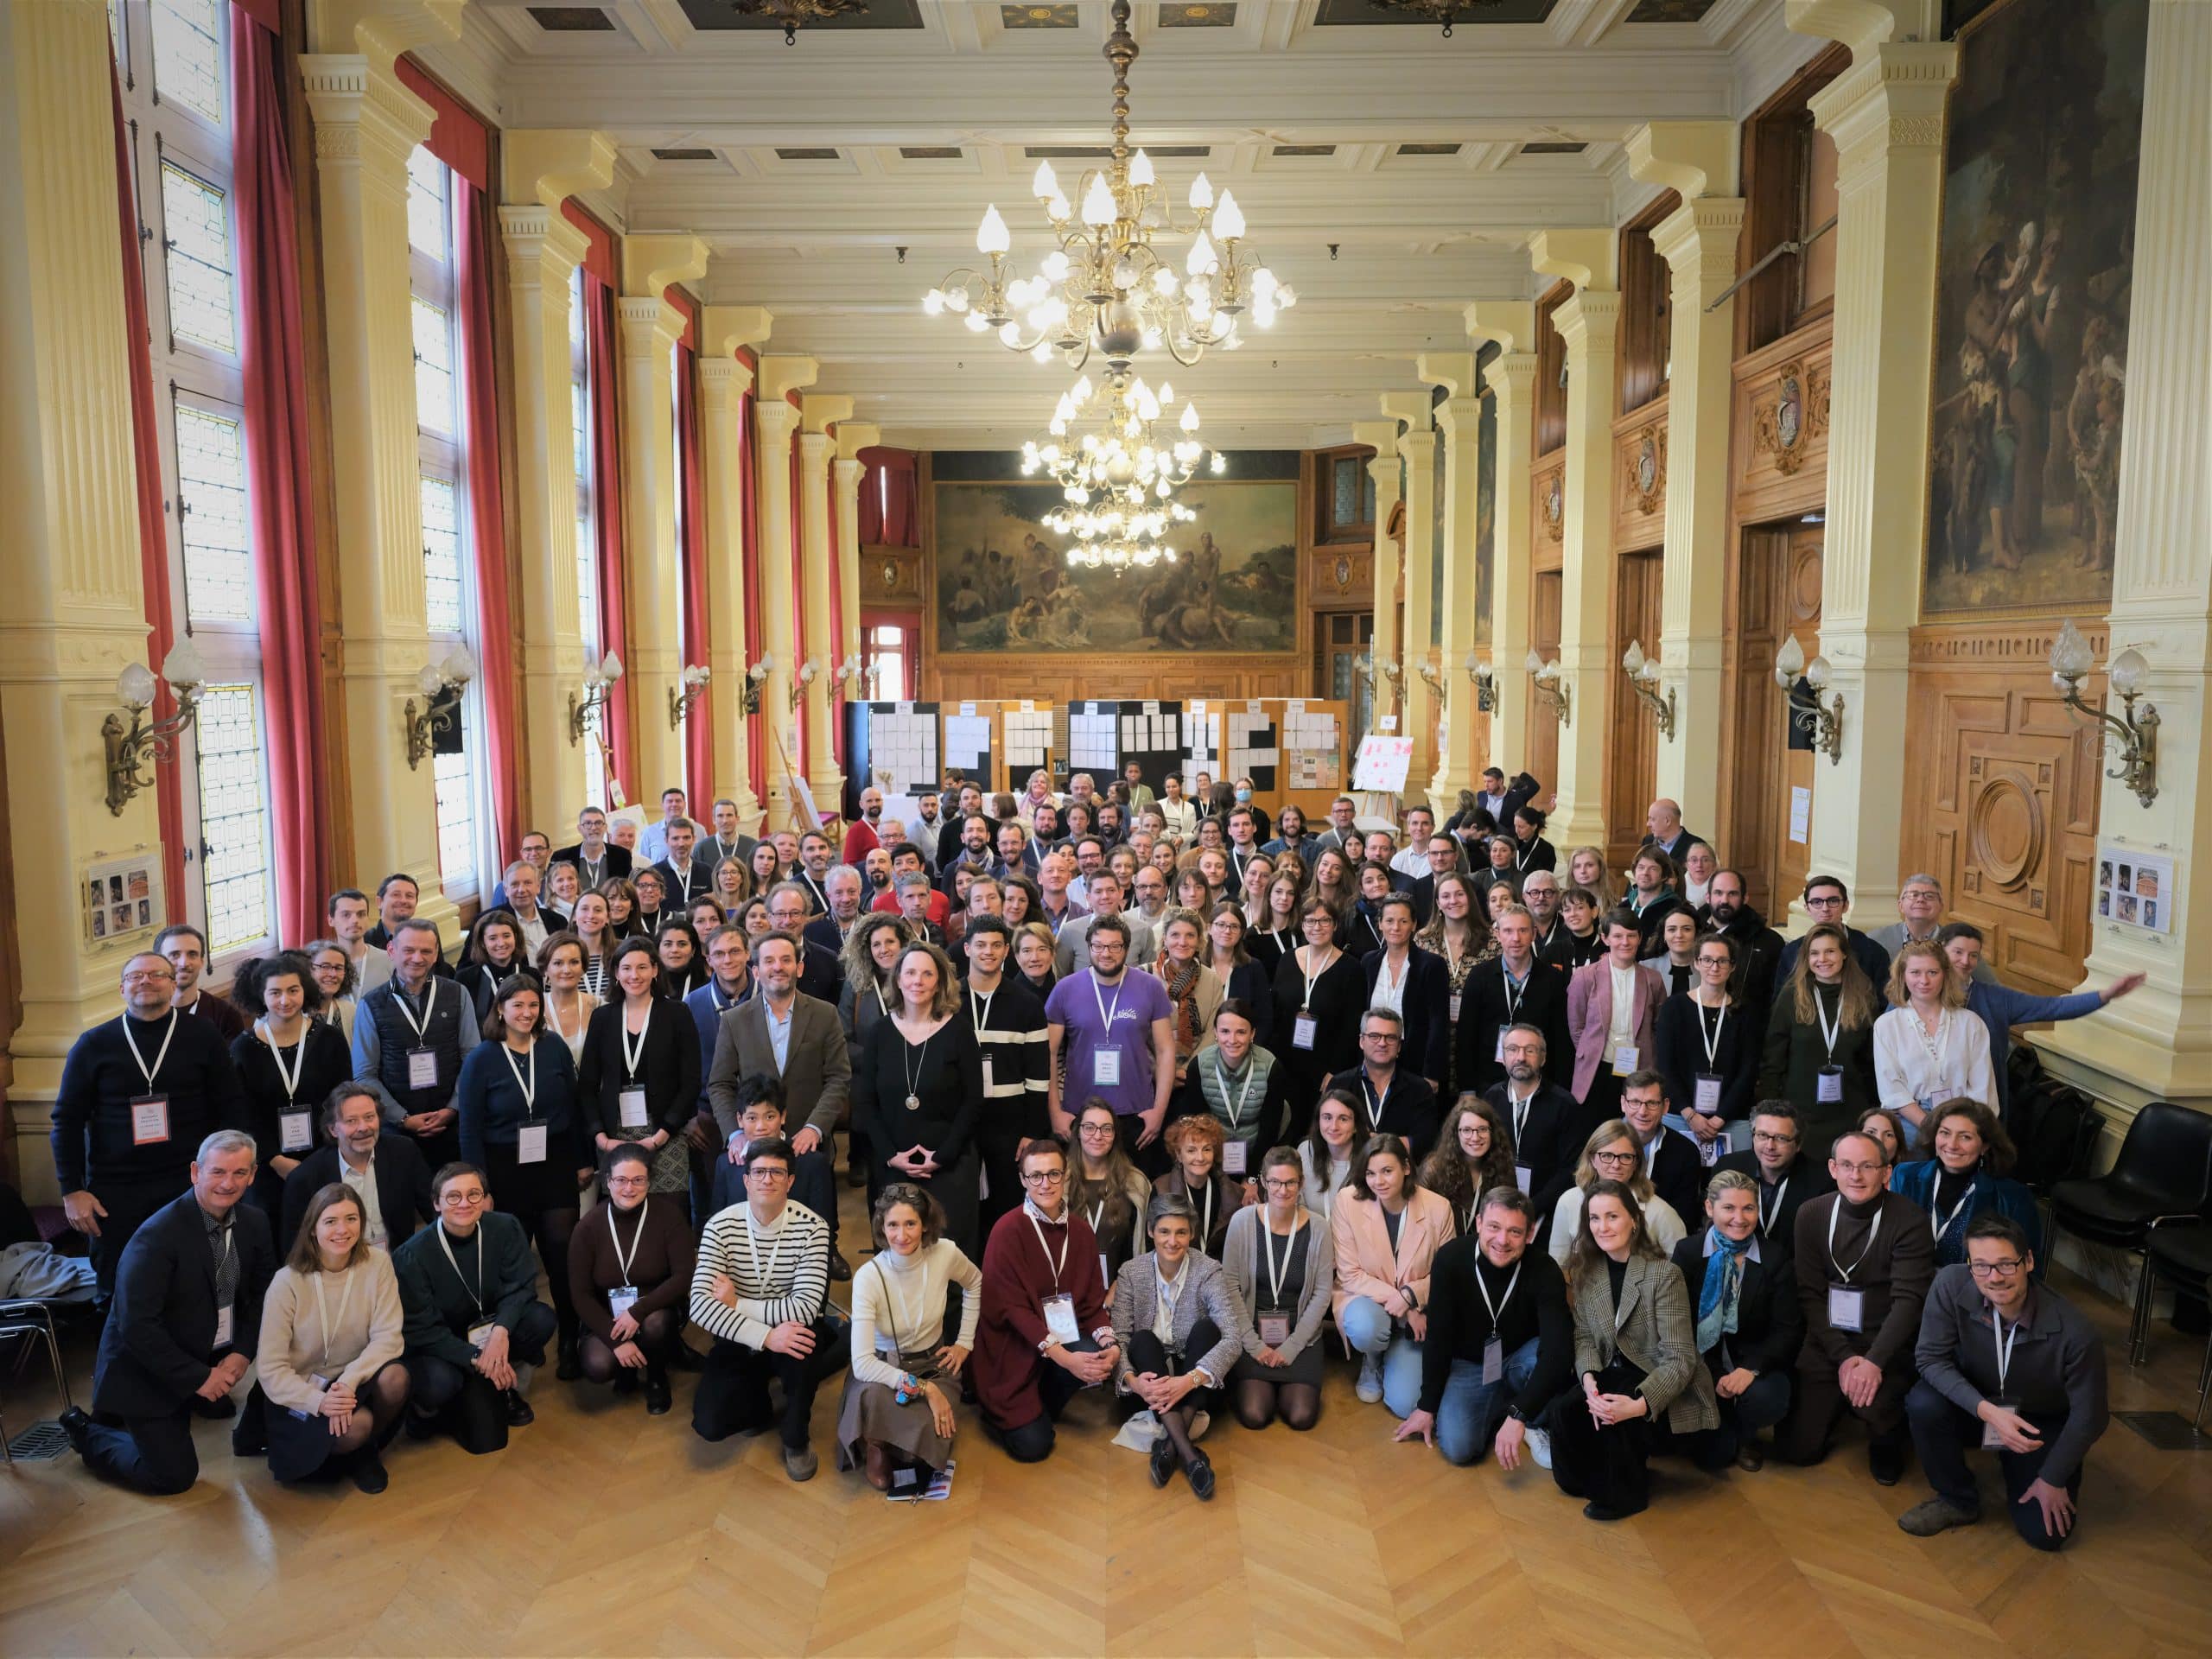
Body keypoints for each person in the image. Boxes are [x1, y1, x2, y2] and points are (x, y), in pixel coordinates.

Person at [59, 1132, 275, 1493]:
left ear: (252, 1175)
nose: (228, 1183)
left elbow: (263, 1294)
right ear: (195, 1172)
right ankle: (89, 1434)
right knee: (172, 1476)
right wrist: (198, 1378)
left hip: (202, 1346)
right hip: (144, 1367)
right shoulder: (157, 1236)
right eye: (218, 1172)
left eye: (239, 1173)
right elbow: (138, 1327)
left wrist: (242, 1352)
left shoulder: (255, 1222)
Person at [1900, 1215, 2108, 1549]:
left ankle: (2029, 1466)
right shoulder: (1950, 1284)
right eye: (1981, 1266)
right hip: (1979, 1406)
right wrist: (1987, 1412)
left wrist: (2053, 1477)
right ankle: (1956, 1499)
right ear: (1969, 1265)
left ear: (2028, 1261)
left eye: (2005, 1265)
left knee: (2047, 1535)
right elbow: (1929, 1358)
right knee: (1923, 1403)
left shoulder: (2076, 1332)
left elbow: (2091, 1416)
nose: (1994, 1278)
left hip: (2036, 1422)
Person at [54, 952, 247, 1303]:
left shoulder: (203, 1035)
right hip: (115, 1190)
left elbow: (231, 1106)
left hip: (190, 1181)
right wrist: (72, 1190)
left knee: (196, 1284)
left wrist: (229, 1173)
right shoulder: (93, 1044)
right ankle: (121, 1358)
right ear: (122, 988)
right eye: (135, 976)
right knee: (119, 1290)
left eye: (157, 974)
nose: (145, 981)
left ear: (174, 985)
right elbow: (66, 1120)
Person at [1543, 1179, 1719, 1519]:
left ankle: (1627, 1497)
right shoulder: (1586, 1273)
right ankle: (1585, 1479)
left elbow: (1681, 1359)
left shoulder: (1664, 1275)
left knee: (1614, 1406)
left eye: (1612, 1216)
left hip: (1662, 1386)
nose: (1602, 1226)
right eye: (1594, 1219)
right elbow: (1583, 1337)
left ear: (1634, 1221)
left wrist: (1639, 1406)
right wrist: (1589, 1378)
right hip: (1611, 1374)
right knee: (1564, 1410)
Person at [1777, 1128, 1935, 1484]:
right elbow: (1810, 1294)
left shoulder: (1910, 1220)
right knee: (1799, 1451)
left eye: (1867, 1166)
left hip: (1885, 1342)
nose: (1856, 1175)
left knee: (1879, 1415)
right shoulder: (1811, 1214)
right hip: (1828, 1339)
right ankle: (1837, 1402)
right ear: (1832, 1169)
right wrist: (1844, 1356)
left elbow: (1909, 1301)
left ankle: (1886, 1430)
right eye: (1847, 1165)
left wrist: (1874, 1361)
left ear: (1887, 1172)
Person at [456, 975, 591, 1378]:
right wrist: (478, 1186)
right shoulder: (482, 1057)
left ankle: (570, 1337)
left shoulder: (552, 1048)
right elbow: (470, 1128)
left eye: (533, 1005)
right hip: (503, 1167)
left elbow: (576, 1103)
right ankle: (519, 1341)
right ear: (500, 1009)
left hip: (554, 1162)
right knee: (511, 1261)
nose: (527, 1013)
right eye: (517, 1006)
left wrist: (583, 1160)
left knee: (563, 1253)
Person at [690, 1136, 845, 1479]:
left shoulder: (814, 1228)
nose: (767, 1179)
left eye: (777, 1172)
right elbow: (700, 1307)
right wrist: (766, 1337)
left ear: (790, 1180)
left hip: (789, 1330)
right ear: (745, 1179)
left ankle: (795, 1439)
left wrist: (736, 1303)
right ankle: (759, 1405)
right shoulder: (719, 1226)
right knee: (709, 1424)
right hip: (748, 1334)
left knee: (804, 1348)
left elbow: (804, 1309)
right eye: (759, 1171)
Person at [1395, 1184, 1573, 1469]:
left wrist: (1520, 1414)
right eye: (1493, 1227)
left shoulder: (1545, 1269)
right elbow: (1438, 1337)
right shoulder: (1450, 1259)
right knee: (1457, 1448)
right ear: (1478, 1223)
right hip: (1470, 1364)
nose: (1502, 1240)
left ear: (1530, 1234)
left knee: (1556, 1362)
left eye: (1515, 1232)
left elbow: (1557, 1350)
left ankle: (1523, 1417)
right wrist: (1427, 1405)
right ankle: (1509, 1410)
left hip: (1520, 1357)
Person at [705, 929, 853, 1263]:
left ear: (799, 968)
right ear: (755, 970)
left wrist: (815, 1127)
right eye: (768, 961)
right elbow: (720, 1084)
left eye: (787, 959)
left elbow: (838, 1077)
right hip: (755, 1140)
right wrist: (735, 1133)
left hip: (807, 1138)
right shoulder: (734, 1020)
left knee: (815, 1204)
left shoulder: (825, 1013)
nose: (778, 967)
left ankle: (826, 1250)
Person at [972, 1135, 1120, 1461]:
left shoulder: (1081, 1232)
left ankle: (1040, 1404)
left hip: (1058, 1338)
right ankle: (1003, 1411)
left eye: (1054, 1174)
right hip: (1013, 1348)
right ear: (1023, 1180)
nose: (1045, 1184)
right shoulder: (1007, 1230)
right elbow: (1011, 1311)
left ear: (1066, 1175)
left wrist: (1111, 1345)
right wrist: (1066, 1359)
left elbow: (1091, 1305)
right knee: (1035, 1448)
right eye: (1035, 1176)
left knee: (1096, 1351)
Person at [255, 1182, 409, 1491]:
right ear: (313, 1229)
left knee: (396, 1378)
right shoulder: (287, 1282)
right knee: (355, 1427)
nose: (343, 1229)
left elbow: (388, 1337)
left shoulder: (378, 1264)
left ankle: (365, 1451)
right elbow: (270, 1369)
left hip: (355, 1376)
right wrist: (321, 1402)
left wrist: (349, 1381)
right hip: (303, 1388)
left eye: (351, 1219)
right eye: (331, 1221)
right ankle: (348, 1447)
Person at [392, 1160, 556, 1450]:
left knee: (540, 1319)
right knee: (443, 1387)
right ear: (436, 1204)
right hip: (444, 1346)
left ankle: (497, 1382)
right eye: (453, 1197)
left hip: (490, 1331)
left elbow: (520, 1288)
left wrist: (500, 1333)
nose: (464, 1204)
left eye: (474, 1195)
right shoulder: (412, 1255)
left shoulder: (505, 1227)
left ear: (486, 1199)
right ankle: (429, 1411)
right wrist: (478, 1356)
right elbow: (423, 1330)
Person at [838, 1182, 983, 1491]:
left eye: (910, 1224)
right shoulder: (869, 1277)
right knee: (872, 1397)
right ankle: (877, 1443)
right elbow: (863, 1364)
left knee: (920, 1450)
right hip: (882, 1370)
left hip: (933, 1361)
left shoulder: (945, 1253)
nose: (901, 1236)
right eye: (892, 1225)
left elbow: (976, 1283)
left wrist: (964, 1343)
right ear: (881, 1226)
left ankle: (894, 1441)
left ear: (926, 1225)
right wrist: (928, 1391)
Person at [853, 941, 984, 1255]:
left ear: (939, 981)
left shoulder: (960, 1031)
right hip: (892, 1165)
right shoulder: (880, 1033)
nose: (917, 981)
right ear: (897, 979)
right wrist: (889, 1155)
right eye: (910, 972)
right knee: (896, 1256)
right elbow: (866, 1101)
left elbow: (973, 1101)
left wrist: (941, 1157)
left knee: (950, 1256)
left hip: (949, 1165)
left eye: (927, 974)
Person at [1940, 922, 2142, 1122]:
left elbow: (2052, 1008)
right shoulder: (1922, 993)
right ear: (1941, 950)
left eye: (1973, 955)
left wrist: (2105, 996)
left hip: (1981, 1110)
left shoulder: (1995, 999)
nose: (1965, 961)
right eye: (1958, 952)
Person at [1111, 1192, 1243, 1499]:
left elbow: (1233, 1337)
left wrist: (1188, 1381)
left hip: (1192, 1380)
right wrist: (1134, 1383)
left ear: (1191, 1234)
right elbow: (1119, 1338)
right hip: (1150, 1381)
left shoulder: (1208, 1269)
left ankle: (1170, 1449)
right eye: (1164, 1231)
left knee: (1208, 1330)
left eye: (1181, 1232)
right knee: (1141, 1339)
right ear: (1150, 1232)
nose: (1173, 1241)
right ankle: (1191, 1457)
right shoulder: (1131, 1272)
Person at [1671, 1169, 1803, 1471]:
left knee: (1768, 1398)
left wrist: (1750, 1369)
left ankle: (1747, 1435)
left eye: (1748, 1208)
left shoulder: (1774, 1257)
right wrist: (1715, 1373)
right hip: (1702, 1360)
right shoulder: (1688, 1252)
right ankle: (1719, 1423)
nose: (1739, 1218)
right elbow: (1678, 1322)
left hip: (1753, 1360)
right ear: (1709, 1208)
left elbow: (1787, 1328)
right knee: (1710, 1458)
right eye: (1728, 1208)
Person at [1332, 1134, 1456, 1416]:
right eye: (1371, 1173)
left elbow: (1448, 1274)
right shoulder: (1347, 1201)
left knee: (1405, 1405)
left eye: (1387, 1171)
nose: (1379, 1181)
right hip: (1366, 1300)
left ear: (1406, 1168)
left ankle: (1394, 1353)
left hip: (1418, 1311)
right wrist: (1402, 1303)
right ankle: (1372, 1359)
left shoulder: (1438, 1208)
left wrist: (1412, 1297)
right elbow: (1350, 1274)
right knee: (1365, 1327)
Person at [569, 1142, 694, 1414]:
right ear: (608, 1182)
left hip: (656, 1307)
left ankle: (657, 1376)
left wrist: (638, 1311)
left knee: (657, 1323)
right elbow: (581, 1294)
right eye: (621, 1180)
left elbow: (684, 1276)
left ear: (649, 1182)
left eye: (638, 1180)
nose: (629, 1188)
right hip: (607, 1315)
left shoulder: (669, 1216)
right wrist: (616, 1342)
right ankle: (627, 1364)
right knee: (598, 1365)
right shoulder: (587, 1227)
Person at [230, 950, 354, 1217]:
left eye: (293, 990)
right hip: (265, 1165)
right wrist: (275, 1160)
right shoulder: (244, 1048)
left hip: (325, 1157)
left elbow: (342, 1100)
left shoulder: (330, 1039)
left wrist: (325, 1156)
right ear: (261, 996)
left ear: (305, 990)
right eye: (275, 993)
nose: (285, 1000)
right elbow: (242, 1113)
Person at [580, 938, 702, 1210]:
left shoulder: (677, 1013)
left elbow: (691, 1081)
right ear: (616, 973)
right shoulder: (602, 1018)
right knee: (623, 1210)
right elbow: (587, 1084)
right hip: (615, 1136)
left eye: (642, 967)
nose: (634, 975)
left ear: (655, 970)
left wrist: (662, 1134)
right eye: (626, 968)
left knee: (670, 1212)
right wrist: (601, 1138)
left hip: (666, 1132)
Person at [1220, 1145, 1333, 1432]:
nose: (1282, 1190)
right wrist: (1254, 1345)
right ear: (1264, 1182)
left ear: (1301, 1183)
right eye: (1275, 1182)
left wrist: (1293, 1345)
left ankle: (1285, 1383)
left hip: (1300, 1337)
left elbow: (1322, 1293)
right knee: (1255, 1415)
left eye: (1290, 1182)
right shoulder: (1242, 1222)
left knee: (1301, 1417)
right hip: (1251, 1334)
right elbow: (1230, 1286)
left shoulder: (1319, 1228)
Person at [1046, 915, 1176, 1161]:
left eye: (1115, 946)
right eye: (1098, 946)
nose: (1106, 953)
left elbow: (1165, 1051)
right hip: (1079, 1113)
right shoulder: (1065, 989)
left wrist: (1159, 1110)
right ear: (1089, 947)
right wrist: (1055, 1111)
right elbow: (1049, 1053)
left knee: (1133, 1194)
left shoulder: (1150, 987)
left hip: (1137, 1113)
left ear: (1126, 948)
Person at [353, 917, 479, 1170]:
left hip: (453, 1125)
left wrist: (453, 1108)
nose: (417, 958)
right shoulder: (370, 1004)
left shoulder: (457, 993)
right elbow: (365, 1075)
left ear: (435, 955)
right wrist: (404, 1118)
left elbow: (472, 1058)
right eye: (409, 950)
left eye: (426, 951)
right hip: (396, 1131)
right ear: (392, 951)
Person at [1758, 921, 1882, 1155]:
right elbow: (1772, 1059)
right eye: (1814, 953)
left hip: (1850, 1112)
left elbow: (1870, 1060)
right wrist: (1772, 1109)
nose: (1822, 959)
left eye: (1830, 951)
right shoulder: (1792, 996)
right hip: (1800, 1114)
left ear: (1844, 954)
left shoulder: (1863, 995)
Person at [283, 1082, 437, 1253]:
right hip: (336, 1271)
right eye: (351, 1121)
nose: (363, 1128)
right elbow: (295, 1247)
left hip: (395, 1263)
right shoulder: (306, 1177)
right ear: (333, 1129)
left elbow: (434, 1209)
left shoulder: (404, 1153)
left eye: (370, 1117)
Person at [1873, 941, 1997, 1151]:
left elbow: (1981, 1088)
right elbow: (1892, 1090)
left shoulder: (1971, 1023)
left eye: (1932, 972)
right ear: (1903, 976)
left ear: (1945, 975)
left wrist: (1955, 1130)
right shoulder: (1887, 1024)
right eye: (1915, 972)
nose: (1924, 981)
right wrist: (1933, 1128)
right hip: (1911, 1119)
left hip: (1964, 1118)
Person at [1890, 1098, 2041, 1270]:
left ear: (1985, 1146)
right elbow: (1889, 1243)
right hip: (1908, 1282)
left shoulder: (2013, 1197)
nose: (1952, 1145)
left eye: (1965, 1137)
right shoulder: (1905, 1177)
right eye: (1945, 1133)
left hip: (1971, 1292)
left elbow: (2029, 1270)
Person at [1269, 898, 1367, 1143]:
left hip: (1326, 1070)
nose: (1317, 926)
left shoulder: (1351, 968)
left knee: (1317, 1135)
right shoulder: (1287, 960)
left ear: (1335, 925)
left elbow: (1351, 1025)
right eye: (1311, 921)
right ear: (1302, 925)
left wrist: (1335, 1072)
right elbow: (1277, 1014)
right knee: (1285, 1130)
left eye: (1325, 920)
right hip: (1286, 1063)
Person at [1456, 904, 1571, 1099]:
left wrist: (1560, 1090)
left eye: (1523, 930)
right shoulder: (1479, 976)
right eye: (1508, 931)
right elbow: (1466, 1037)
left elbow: (1560, 1041)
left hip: (1539, 1083)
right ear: (1498, 934)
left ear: (1533, 934)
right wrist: (1467, 1089)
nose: (1516, 938)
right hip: (1488, 1082)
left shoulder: (1553, 979)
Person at [1567, 911, 1666, 1128]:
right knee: (1595, 1135)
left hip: (1639, 1070)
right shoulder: (1585, 976)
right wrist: (1590, 1051)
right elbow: (1576, 1027)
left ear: (1640, 938)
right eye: (1618, 936)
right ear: (1605, 938)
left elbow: (1659, 1027)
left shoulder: (1653, 979)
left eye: (1631, 936)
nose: (1625, 942)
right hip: (1597, 1070)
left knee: (1636, 1133)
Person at [1547, 1118, 1688, 1267]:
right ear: (1592, 1159)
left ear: (1636, 1163)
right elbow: (1558, 1265)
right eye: (1607, 1156)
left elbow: (1679, 1270)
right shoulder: (1569, 1201)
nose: (1616, 1165)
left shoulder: (1660, 1212)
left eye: (1626, 1157)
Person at [1482, 1024, 1584, 1229]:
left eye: (1530, 1050)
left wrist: (1533, 1207)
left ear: (1543, 1058)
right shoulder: (1491, 1098)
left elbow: (1570, 1168)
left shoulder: (1564, 1104)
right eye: (1513, 1049)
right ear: (1503, 1056)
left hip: (1547, 1211)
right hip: (1496, 1205)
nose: (1521, 1057)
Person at [1711, 1101, 1832, 1268]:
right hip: (1735, 1266)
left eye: (1781, 1138)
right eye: (1762, 1135)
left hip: (1794, 1272)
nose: (1770, 1146)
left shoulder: (1822, 1181)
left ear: (1798, 1144)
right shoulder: (1728, 1166)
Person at [1328, 1007, 1444, 1160]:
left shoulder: (1420, 1089)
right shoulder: (1339, 1084)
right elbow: (1326, 1132)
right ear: (1362, 1041)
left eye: (1390, 1038)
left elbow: (1425, 1141)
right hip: (1346, 1169)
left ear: (1399, 1046)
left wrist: (1377, 1144)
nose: (1382, 1043)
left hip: (1402, 1174)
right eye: (1374, 1036)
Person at [1363, 893, 1450, 1094]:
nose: (1396, 927)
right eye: (1390, 921)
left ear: (1413, 925)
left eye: (1403, 921)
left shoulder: (1431, 965)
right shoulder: (1369, 962)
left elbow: (1438, 1021)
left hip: (1416, 1065)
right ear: (1380, 924)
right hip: (1374, 1061)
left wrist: (1432, 1072)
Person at [1069, 1097, 1152, 1286]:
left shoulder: (1136, 1183)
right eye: (1089, 1127)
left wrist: (1120, 1289)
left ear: (1115, 1135)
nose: (1098, 1136)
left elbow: (1141, 1250)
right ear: (1078, 1133)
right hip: (1068, 1291)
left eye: (1106, 1129)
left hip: (1121, 1291)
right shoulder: (1059, 1182)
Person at [1144, 907, 1223, 1090]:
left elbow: (1213, 1032)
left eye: (1190, 935)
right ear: (1164, 938)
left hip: (1196, 1077)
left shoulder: (1212, 979)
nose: (1182, 942)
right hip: (1150, 1077)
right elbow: (1135, 1033)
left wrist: (1189, 1070)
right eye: (1175, 935)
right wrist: (1158, 1070)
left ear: (1199, 941)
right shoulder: (1143, 976)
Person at [1616, 1070, 1707, 1227]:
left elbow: (1683, 1218)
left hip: (1658, 1238)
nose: (1642, 1112)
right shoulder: (1601, 1142)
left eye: (1652, 1103)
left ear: (1665, 1107)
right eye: (1635, 1102)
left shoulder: (1686, 1153)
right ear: (1623, 1103)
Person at [1418, 1096, 1518, 1235]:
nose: (1475, 1137)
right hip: (1445, 1249)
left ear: (1493, 1132)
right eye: (1466, 1130)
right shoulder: (1434, 1169)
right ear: (1455, 1134)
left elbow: (1510, 1216)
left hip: (1487, 1249)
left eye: (1482, 1129)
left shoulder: (1504, 1166)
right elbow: (1421, 1223)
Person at [1776, 874, 1893, 988]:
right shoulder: (1791, 952)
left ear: (1846, 906)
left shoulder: (1874, 952)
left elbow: (1884, 1004)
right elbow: (1781, 1003)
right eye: (1817, 902)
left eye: (1833, 901)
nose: (1825, 908)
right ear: (1807, 909)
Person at [1151, 1113, 1242, 1258]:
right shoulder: (1161, 1188)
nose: (1200, 1158)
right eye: (1191, 1150)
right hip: (1177, 1272)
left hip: (1219, 1273)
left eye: (1206, 1149)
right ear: (1179, 1155)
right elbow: (1152, 1245)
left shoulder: (1235, 1193)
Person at [1703, 868, 1786, 1024]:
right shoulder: (1692, 932)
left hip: (1747, 1031)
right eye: (1718, 893)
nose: (1724, 900)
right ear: (1708, 897)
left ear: (1745, 898)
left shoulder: (1769, 942)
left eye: (1732, 894)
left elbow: (1778, 999)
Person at [156, 924, 247, 1042]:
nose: (184, 963)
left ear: (201, 962)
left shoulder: (226, 1015)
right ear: (158, 963)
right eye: (175, 955)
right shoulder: (146, 1013)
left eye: (192, 954)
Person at [454, 909, 528, 1025]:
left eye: (506, 936)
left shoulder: (531, 975)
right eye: (493, 938)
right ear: (482, 943)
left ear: (516, 937)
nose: (501, 943)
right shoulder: (466, 978)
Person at [555, 804, 633, 887]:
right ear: (579, 829)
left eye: (598, 823)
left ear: (605, 827)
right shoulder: (562, 857)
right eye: (588, 823)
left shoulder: (622, 856)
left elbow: (627, 890)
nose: (593, 828)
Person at [306, 938, 365, 1045]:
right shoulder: (294, 1012)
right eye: (325, 966)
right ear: (307, 969)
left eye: (338, 968)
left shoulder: (352, 1012)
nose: (333, 974)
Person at [1640, 905, 1702, 1001]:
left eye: (1687, 929)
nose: (1679, 935)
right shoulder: (1646, 967)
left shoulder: (1708, 968)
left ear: (1696, 934)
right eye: (1672, 929)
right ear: (1664, 935)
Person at [1642, 798, 1701, 868]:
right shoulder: (1648, 841)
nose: (1648, 824)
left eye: (1652, 819)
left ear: (1667, 821)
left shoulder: (1697, 846)